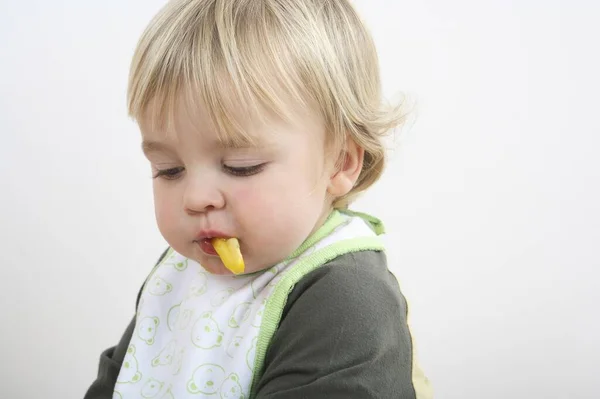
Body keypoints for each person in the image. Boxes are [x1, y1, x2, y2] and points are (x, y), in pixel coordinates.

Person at [84, 0, 432, 397]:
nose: (195, 198)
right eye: (169, 169)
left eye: (240, 166)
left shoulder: (348, 304)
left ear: (339, 163)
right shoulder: (179, 273)